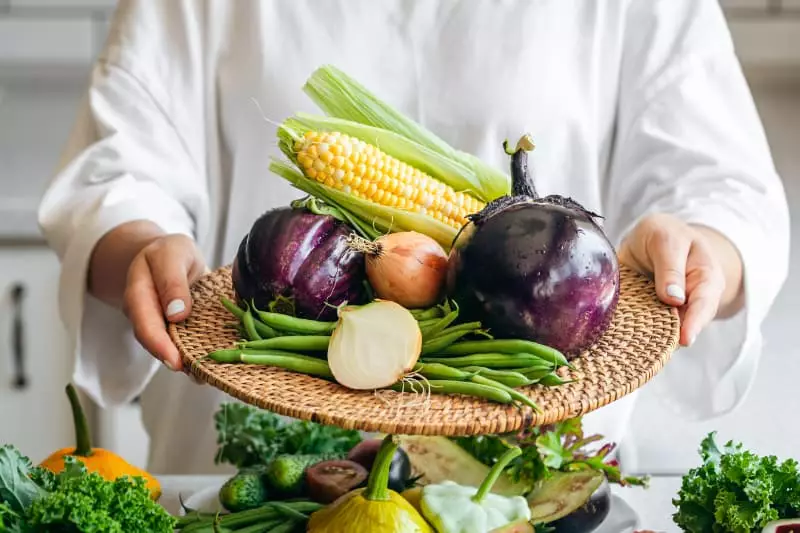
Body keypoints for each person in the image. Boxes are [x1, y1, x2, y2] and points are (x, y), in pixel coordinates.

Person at [39, 0, 788, 493]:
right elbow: (121, 165)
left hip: (530, 483)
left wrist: (701, 247)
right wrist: (137, 240)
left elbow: (719, 183)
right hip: (263, 475)